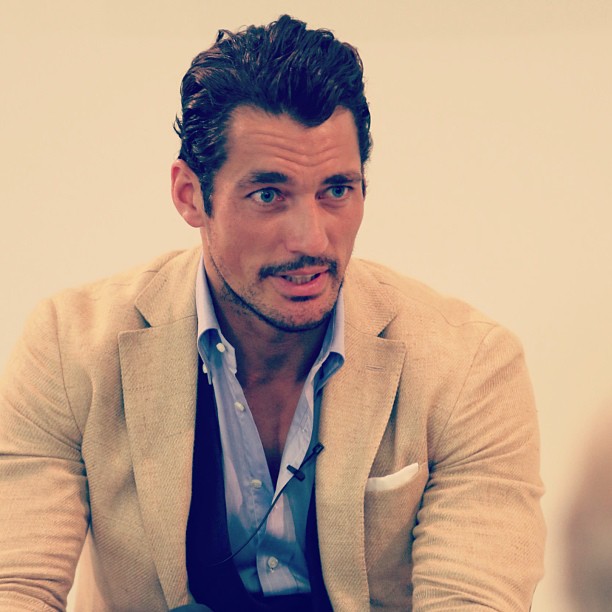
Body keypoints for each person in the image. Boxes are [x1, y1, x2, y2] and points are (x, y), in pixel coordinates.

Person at [0, 14, 545, 612]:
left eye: (336, 190)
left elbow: (473, 601)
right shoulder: (69, 346)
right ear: (190, 195)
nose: (311, 239)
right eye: (268, 195)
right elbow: (16, 586)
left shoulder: (469, 366)